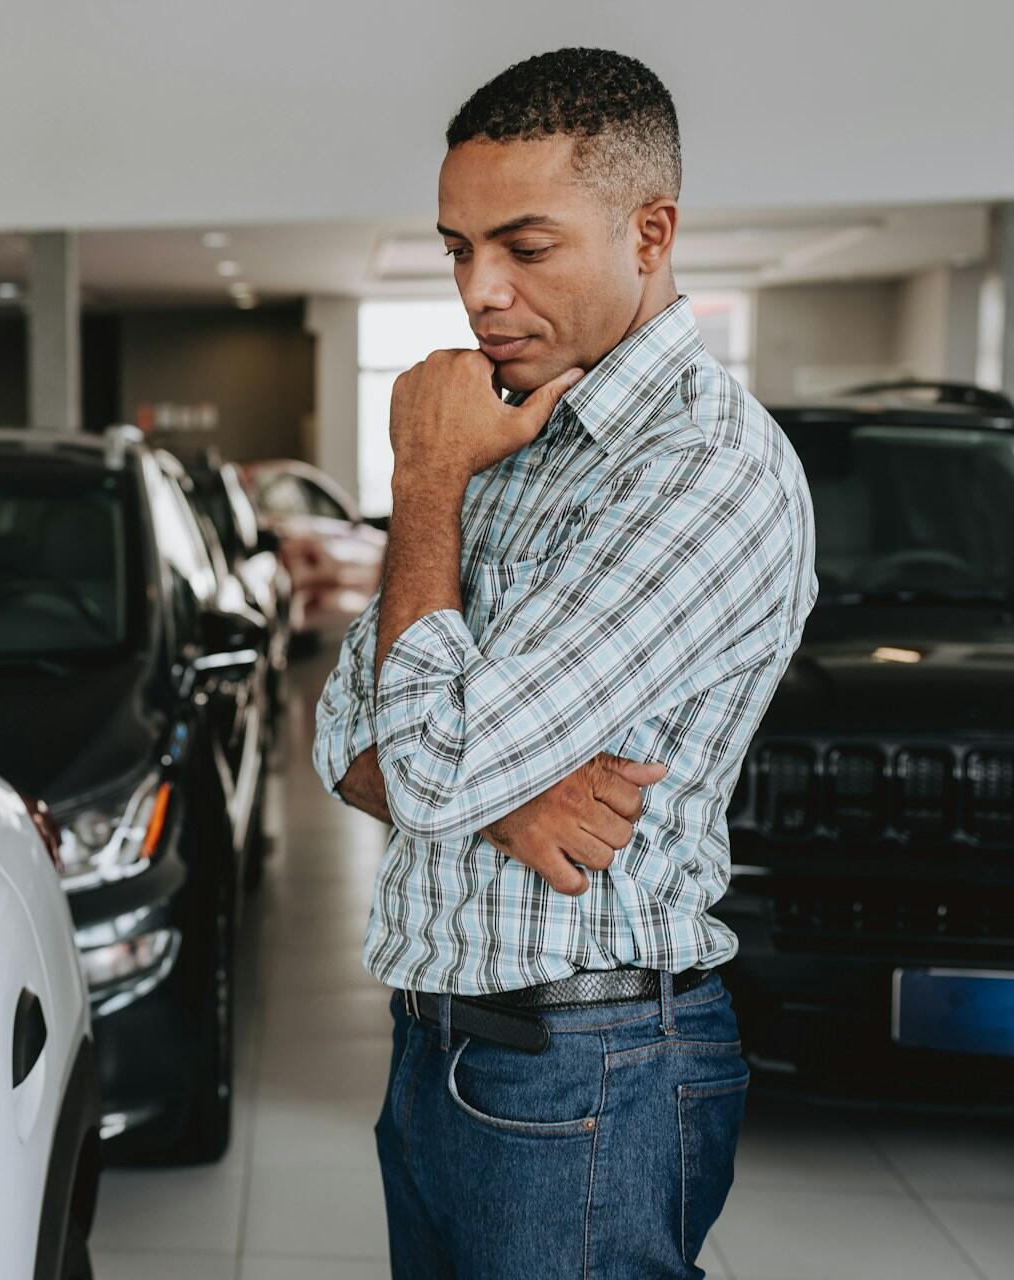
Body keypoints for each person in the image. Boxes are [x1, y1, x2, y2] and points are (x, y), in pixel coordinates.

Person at [313, 48, 817, 1277]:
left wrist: (423, 479)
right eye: (456, 247)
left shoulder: (704, 469)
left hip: (583, 1069)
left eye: (524, 247)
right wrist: (505, 794)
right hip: (443, 1047)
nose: (480, 290)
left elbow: (421, 765)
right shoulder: (516, 432)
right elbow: (341, 730)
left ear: (650, 232)